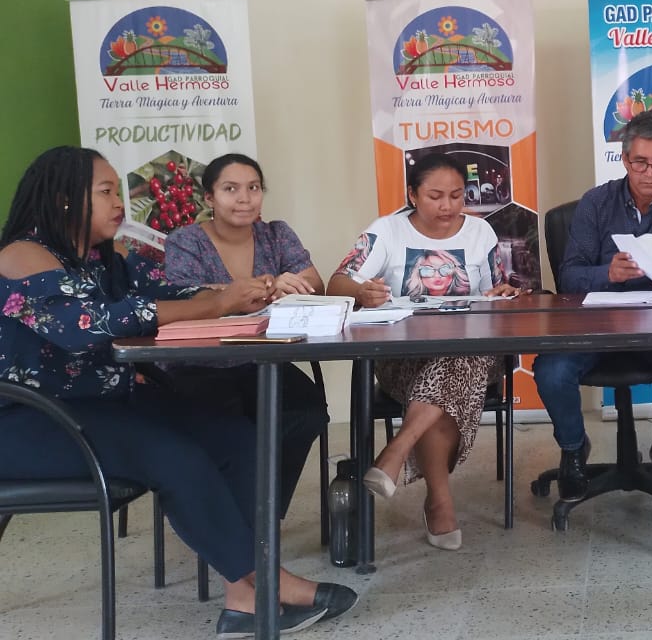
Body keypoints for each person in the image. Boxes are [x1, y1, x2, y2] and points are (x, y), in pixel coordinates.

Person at [0, 147, 356, 637]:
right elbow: (87, 326)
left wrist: (234, 293)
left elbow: (167, 290)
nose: (119, 203)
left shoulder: (100, 258)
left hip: (100, 403)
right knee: (175, 457)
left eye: (118, 191)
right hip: (31, 421)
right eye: (105, 192)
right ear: (64, 199)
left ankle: (242, 599)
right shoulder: (21, 256)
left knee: (237, 439)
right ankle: (269, 582)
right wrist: (216, 304)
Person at [327, 153, 521, 551]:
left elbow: (499, 290)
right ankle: (437, 500)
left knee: (459, 358)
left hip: (475, 353)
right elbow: (337, 283)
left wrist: (503, 292)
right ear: (413, 195)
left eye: (456, 195)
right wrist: (362, 292)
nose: (448, 206)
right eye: (435, 196)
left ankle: (398, 451)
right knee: (446, 382)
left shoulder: (480, 232)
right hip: (404, 358)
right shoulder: (388, 230)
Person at [534, 110, 652, 502]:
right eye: (640, 162)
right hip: (598, 324)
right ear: (625, 159)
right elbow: (569, 276)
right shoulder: (596, 202)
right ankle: (573, 448)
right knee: (551, 370)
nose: (650, 172)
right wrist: (607, 273)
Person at [162, 153, 329, 516]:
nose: (244, 198)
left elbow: (315, 285)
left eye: (253, 188)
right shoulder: (185, 241)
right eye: (231, 189)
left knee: (307, 412)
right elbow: (186, 297)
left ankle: (263, 513)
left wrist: (292, 285)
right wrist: (264, 288)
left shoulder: (276, 234)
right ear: (209, 197)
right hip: (199, 364)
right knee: (232, 429)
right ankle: (230, 515)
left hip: (262, 359)